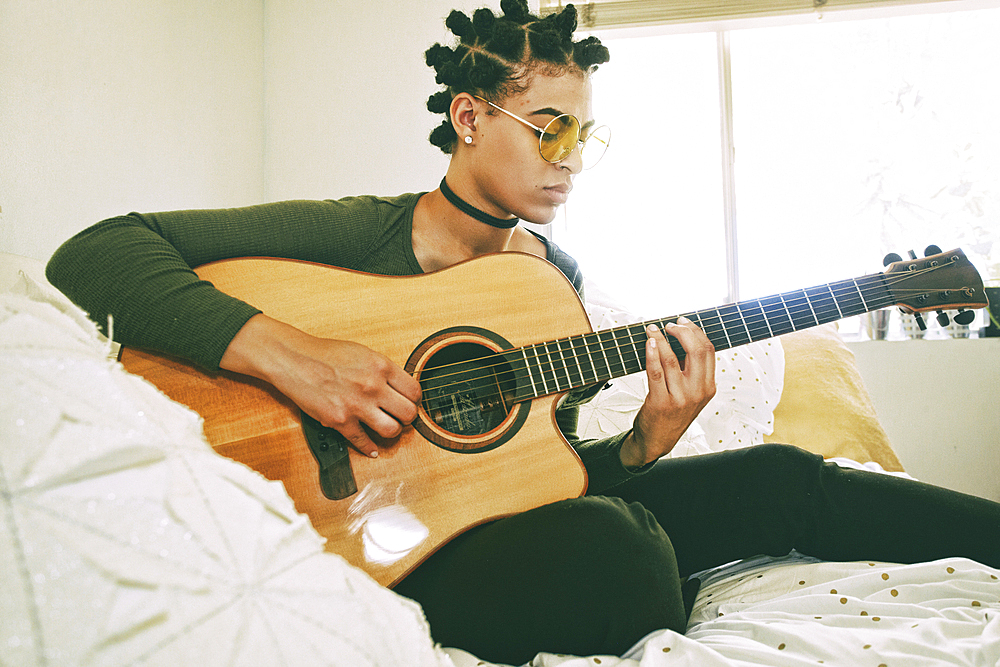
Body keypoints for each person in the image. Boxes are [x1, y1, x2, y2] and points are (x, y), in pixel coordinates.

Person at [46, 1, 1000, 663]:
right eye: (549, 129)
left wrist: (641, 443)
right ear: (469, 118)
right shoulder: (356, 234)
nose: (570, 160)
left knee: (779, 479)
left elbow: (540, 466)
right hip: (372, 528)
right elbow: (98, 252)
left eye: (584, 136)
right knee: (620, 560)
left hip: (496, 522)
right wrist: (296, 358)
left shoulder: (550, 282)